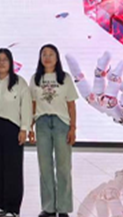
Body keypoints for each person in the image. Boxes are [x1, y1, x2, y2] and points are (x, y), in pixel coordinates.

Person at [0, 48, 33, 217]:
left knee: (13, 167)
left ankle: (13, 208)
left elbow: (26, 106)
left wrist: (24, 128)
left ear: (11, 62)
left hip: (12, 127)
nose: (1, 62)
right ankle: (1, 205)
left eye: (5, 59)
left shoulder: (19, 82)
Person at [28, 44, 79, 217]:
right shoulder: (35, 78)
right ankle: (48, 207)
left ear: (57, 58)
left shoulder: (65, 78)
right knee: (45, 166)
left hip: (61, 123)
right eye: (44, 54)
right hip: (42, 122)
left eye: (51, 54)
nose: (47, 57)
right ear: (40, 58)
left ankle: (63, 207)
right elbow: (33, 103)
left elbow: (71, 104)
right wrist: (30, 126)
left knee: (63, 166)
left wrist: (73, 128)